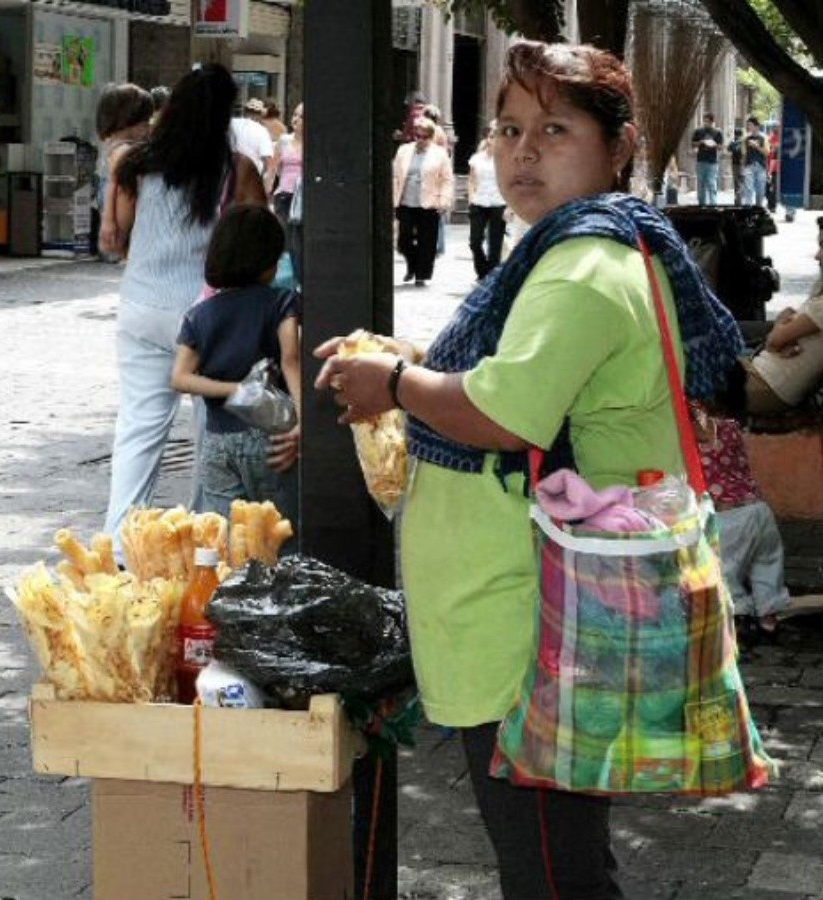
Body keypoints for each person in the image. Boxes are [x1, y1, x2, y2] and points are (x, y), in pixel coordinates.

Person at [315, 40, 742, 899]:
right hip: (537, 618)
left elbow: (503, 414)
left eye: (554, 128)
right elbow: (515, 381)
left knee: (551, 872)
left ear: (618, 148)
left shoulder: (582, 268)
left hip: (535, 628)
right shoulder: (593, 250)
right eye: (508, 129)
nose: (523, 151)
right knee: (560, 859)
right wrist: (412, 368)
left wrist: (395, 381)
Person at [102, 64, 268, 553]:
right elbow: (260, 240)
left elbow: (120, 239)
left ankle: (116, 547)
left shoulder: (137, 164)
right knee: (211, 432)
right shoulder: (236, 168)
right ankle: (207, 548)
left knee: (138, 428)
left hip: (139, 305)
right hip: (203, 315)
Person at [170, 204, 300, 535]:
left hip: (217, 442)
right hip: (271, 439)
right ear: (269, 262)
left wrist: (231, 390)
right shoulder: (282, 302)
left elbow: (180, 377)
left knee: (225, 542)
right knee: (279, 536)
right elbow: (291, 358)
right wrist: (304, 422)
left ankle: (230, 588)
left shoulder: (200, 314)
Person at [694, 407, 788, 649]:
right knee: (766, 564)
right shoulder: (730, 427)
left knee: (725, 568)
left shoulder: (687, 441)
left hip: (730, 515)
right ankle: (769, 618)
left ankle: (740, 618)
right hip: (759, 509)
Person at [743, 219, 823, 415]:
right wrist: (780, 331)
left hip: (767, 386)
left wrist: (777, 336)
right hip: (763, 373)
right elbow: (785, 320)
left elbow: (775, 340)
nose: (817, 256)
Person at [94, 83, 154, 261]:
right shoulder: (125, 151)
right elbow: (120, 187)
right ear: (127, 121)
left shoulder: (111, 145)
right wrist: (110, 222)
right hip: (124, 213)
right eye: (144, 121)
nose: (147, 127)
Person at [391, 117, 454, 287]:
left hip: (429, 201)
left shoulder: (439, 154)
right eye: (417, 136)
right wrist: (392, 196)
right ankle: (412, 264)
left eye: (424, 137)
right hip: (405, 201)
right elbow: (396, 176)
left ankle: (421, 274)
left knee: (427, 241)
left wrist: (444, 200)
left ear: (431, 137)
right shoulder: (404, 150)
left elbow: (447, 179)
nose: (420, 140)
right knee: (403, 240)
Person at [266, 103, 305, 286]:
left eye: (301, 116)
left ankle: (303, 278)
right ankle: (292, 281)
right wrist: (265, 193)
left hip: (305, 198)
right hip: (285, 196)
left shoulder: (315, 142)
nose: (296, 119)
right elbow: (273, 170)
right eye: (295, 115)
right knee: (288, 241)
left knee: (303, 240)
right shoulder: (283, 141)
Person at [466, 124, 507, 280]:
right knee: (475, 242)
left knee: (495, 244)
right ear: (487, 139)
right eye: (491, 137)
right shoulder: (477, 158)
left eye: (497, 137)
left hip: (498, 202)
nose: (493, 140)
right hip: (479, 202)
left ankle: (491, 276)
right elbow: (471, 180)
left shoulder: (505, 159)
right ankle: (483, 269)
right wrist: (471, 198)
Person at [230, 97, 274, 175]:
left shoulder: (232, 123)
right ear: (260, 115)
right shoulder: (262, 131)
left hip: (229, 174)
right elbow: (268, 161)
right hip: (250, 177)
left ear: (244, 112)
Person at [691, 111, 724, 205]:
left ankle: (713, 205)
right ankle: (702, 204)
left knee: (711, 184)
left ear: (712, 122)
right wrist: (701, 142)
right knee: (700, 185)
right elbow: (693, 143)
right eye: (704, 121)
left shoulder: (717, 132)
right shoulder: (698, 131)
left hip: (712, 162)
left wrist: (714, 145)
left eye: (708, 121)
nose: (706, 123)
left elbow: (721, 146)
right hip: (701, 160)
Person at [742, 115, 769, 207]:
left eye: (750, 125)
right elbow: (744, 154)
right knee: (748, 189)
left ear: (756, 126)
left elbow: (766, 153)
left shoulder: (764, 137)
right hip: (749, 166)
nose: (748, 127)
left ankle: (758, 206)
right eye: (748, 125)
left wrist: (757, 146)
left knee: (760, 190)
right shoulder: (745, 138)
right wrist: (743, 168)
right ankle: (748, 208)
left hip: (761, 166)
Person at [728, 127, 745, 203]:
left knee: (736, 182)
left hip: (735, 164)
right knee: (742, 181)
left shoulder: (733, 142)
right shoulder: (743, 141)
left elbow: (728, 148)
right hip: (743, 164)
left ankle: (737, 198)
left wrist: (733, 141)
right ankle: (739, 198)